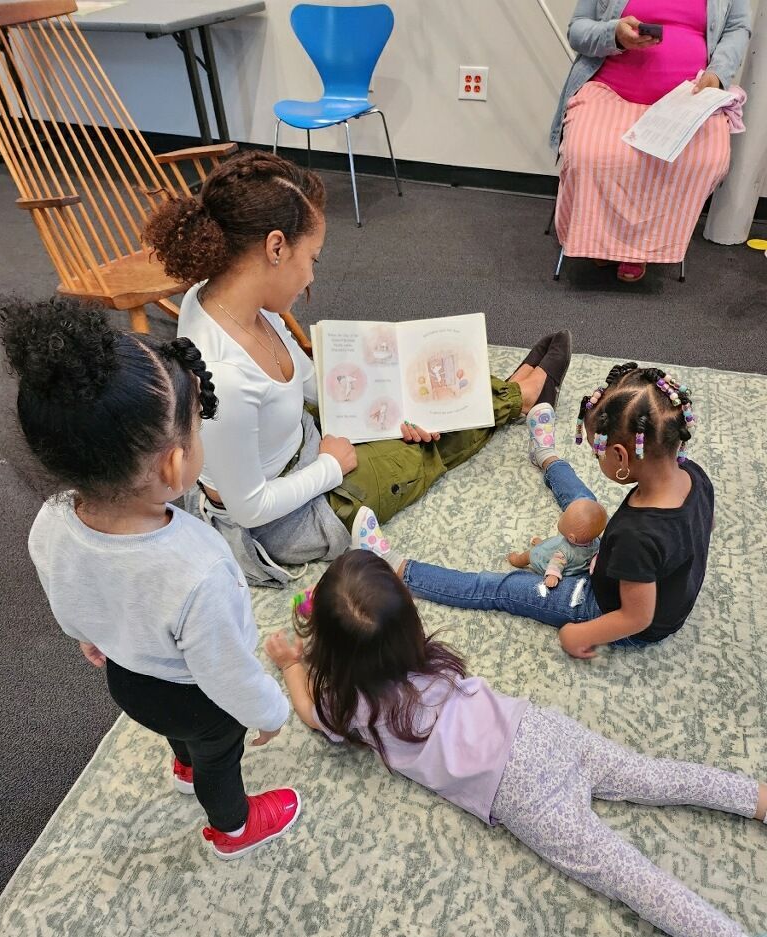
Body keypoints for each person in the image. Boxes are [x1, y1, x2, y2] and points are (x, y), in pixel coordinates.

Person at [263, 549, 767, 937]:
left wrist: (291, 665)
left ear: (329, 652)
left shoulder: (350, 706)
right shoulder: (424, 656)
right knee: (652, 775)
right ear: (407, 620)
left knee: (626, 873)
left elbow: (307, 711)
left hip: (518, 792)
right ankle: (757, 798)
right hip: (539, 728)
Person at [142, 151, 571, 587]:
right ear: (276, 247)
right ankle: (520, 397)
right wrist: (330, 465)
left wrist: (391, 406)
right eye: (313, 259)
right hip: (286, 516)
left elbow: (305, 379)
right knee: (416, 455)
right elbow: (250, 508)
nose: (311, 277)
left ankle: (504, 395)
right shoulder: (225, 376)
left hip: (298, 441)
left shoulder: (221, 297)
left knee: (416, 413)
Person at [0, 295, 300, 861]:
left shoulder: (50, 523)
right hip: (199, 697)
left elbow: (64, 593)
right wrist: (269, 712)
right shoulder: (199, 566)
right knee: (219, 758)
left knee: (181, 736)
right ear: (174, 464)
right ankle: (233, 827)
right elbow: (225, 667)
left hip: (128, 681)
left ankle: (184, 765)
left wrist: (91, 637)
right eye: (196, 430)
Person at [352, 363, 713, 657]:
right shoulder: (692, 475)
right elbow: (700, 530)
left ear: (620, 457)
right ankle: (546, 456)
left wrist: (580, 634)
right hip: (626, 568)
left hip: (603, 605)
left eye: (597, 453)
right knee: (586, 509)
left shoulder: (638, 537)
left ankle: (399, 569)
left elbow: (636, 617)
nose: (597, 458)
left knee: (500, 588)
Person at [550, 1, 751, 282]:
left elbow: (737, 27)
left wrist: (717, 74)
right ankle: (599, 239)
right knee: (586, 151)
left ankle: (638, 247)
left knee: (708, 157)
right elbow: (578, 30)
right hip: (610, 90)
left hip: (687, 98)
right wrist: (614, 34)